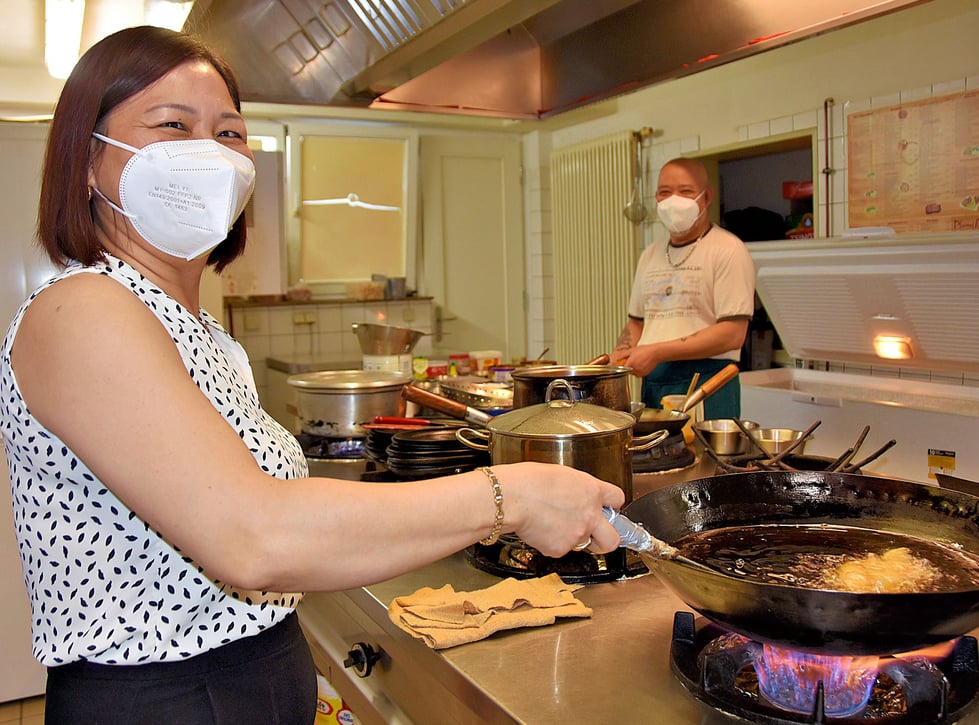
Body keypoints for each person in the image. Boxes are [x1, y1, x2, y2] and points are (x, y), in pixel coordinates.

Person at [0, 26, 624, 725]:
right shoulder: (82, 309)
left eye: (230, 133)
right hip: (162, 697)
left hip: (252, 673)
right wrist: (512, 494)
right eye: (173, 125)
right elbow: (253, 535)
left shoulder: (194, 328)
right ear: (87, 161)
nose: (209, 152)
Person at [613, 157, 755, 419]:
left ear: (706, 196)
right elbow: (636, 322)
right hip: (655, 385)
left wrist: (656, 351)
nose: (673, 201)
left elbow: (732, 334)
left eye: (685, 191)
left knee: (707, 459)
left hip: (709, 384)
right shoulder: (650, 255)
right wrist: (620, 357)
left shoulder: (728, 250)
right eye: (665, 193)